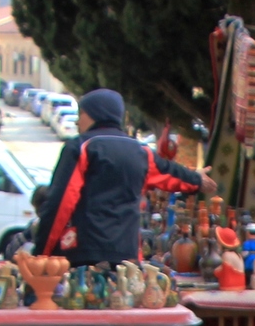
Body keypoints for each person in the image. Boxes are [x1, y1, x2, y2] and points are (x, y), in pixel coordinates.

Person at [32, 89, 207, 267]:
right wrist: (198, 180)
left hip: (84, 253)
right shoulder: (141, 151)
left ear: (96, 113)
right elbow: (170, 173)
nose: (77, 121)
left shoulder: (82, 147)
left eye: (81, 113)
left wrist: (41, 253)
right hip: (127, 254)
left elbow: (60, 203)